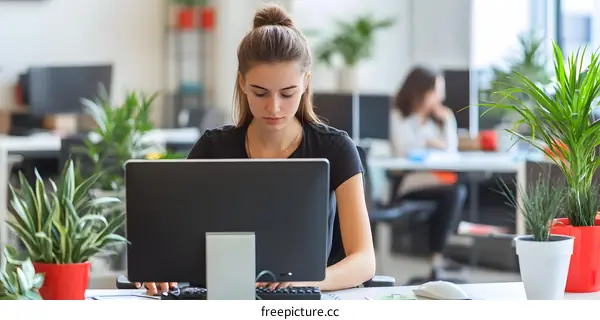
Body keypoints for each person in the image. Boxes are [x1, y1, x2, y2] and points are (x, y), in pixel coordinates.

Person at [137, 4, 376, 295]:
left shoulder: (336, 149)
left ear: (305, 83)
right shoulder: (213, 148)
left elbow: (364, 261)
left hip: (301, 305)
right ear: (242, 83)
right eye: (260, 92)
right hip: (220, 302)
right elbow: (169, 239)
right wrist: (157, 268)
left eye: (287, 93)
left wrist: (307, 280)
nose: (273, 107)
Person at [389, 66, 465, 280]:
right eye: (437, 90)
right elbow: (402, 147)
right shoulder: (399, 114)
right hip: (409, 182)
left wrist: (448, 121)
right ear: (422, 91)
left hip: (434, 181)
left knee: (455, 192)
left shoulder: (438, 119)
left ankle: (436, 258)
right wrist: (430, 142)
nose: (441, 96)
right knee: (453, 194)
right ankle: (437, 258)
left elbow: (451, 151)